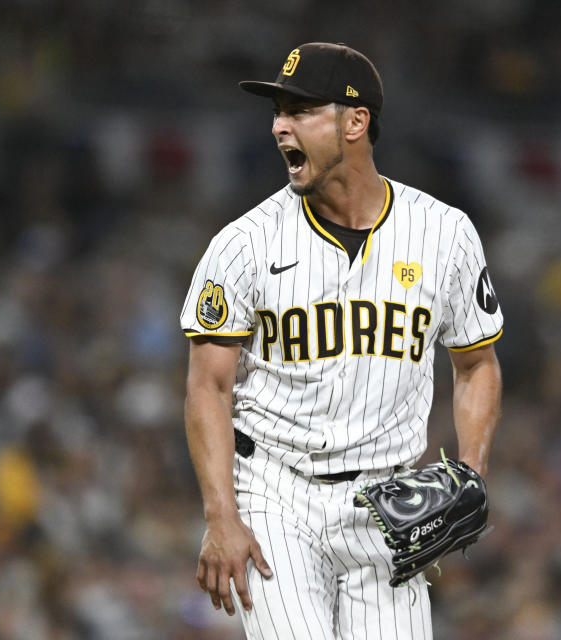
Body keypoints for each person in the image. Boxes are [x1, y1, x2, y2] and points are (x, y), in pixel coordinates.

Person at [180, 42, 504, 639]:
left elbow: (475, 364)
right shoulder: (244, 244)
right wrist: (220, 514)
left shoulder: (445, 234)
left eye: (300, 109)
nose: (279, 125)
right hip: (275, 491)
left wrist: (472, 474)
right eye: (278, 111)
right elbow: (208, 386)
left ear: (355, 122)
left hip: (391, 503)